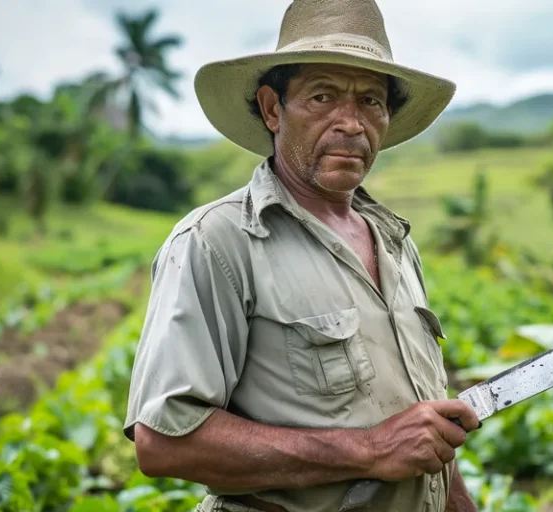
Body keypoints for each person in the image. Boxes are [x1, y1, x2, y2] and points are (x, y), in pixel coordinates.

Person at [123, 0, 481, 511]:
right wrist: (370, 449)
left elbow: (420, 422)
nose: (352, 124)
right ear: (273, 108)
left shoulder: (395, 241)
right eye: (322, 95)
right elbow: (163, 443)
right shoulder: (218, 241)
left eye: (371, 102)